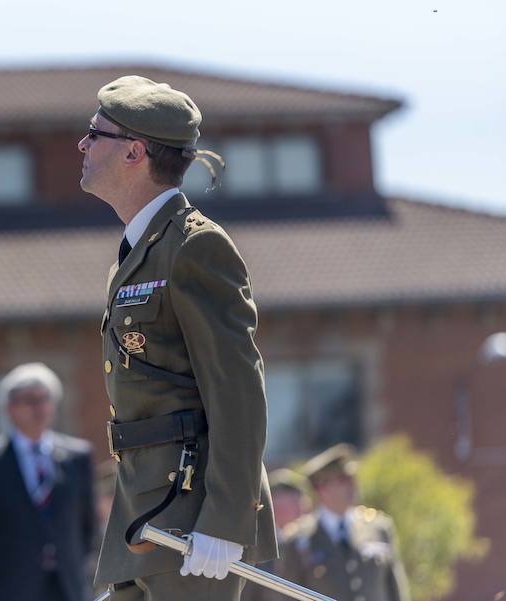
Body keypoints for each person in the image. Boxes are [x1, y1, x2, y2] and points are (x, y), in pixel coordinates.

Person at [78, 75, 277, 601]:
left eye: (95, 134)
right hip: (143, 512)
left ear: (134, 152)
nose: (83, 144)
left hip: (191, 519)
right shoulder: (143, 247)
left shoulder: (194, 247)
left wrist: (227, 520)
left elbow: (236, 388)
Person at [0, 362, 96, 601]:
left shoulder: (78, 457)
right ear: (9, 409)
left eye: (45, 399)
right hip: (8, 587)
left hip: (67, 585)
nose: (39, 408)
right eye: (29, 401)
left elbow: (87, 523)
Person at [275, 444, 411, 601]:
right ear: (321, 488)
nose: (352, 484)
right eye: (342, 480)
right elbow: (286, 596)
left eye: (352, 477)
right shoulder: (298, 539)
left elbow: (396, 591)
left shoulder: (379, 528)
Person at [240, 469, 310, 601]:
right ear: (274, 505)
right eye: (295, 503)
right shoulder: (255, 542)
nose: (302, 509)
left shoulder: (306, 540)